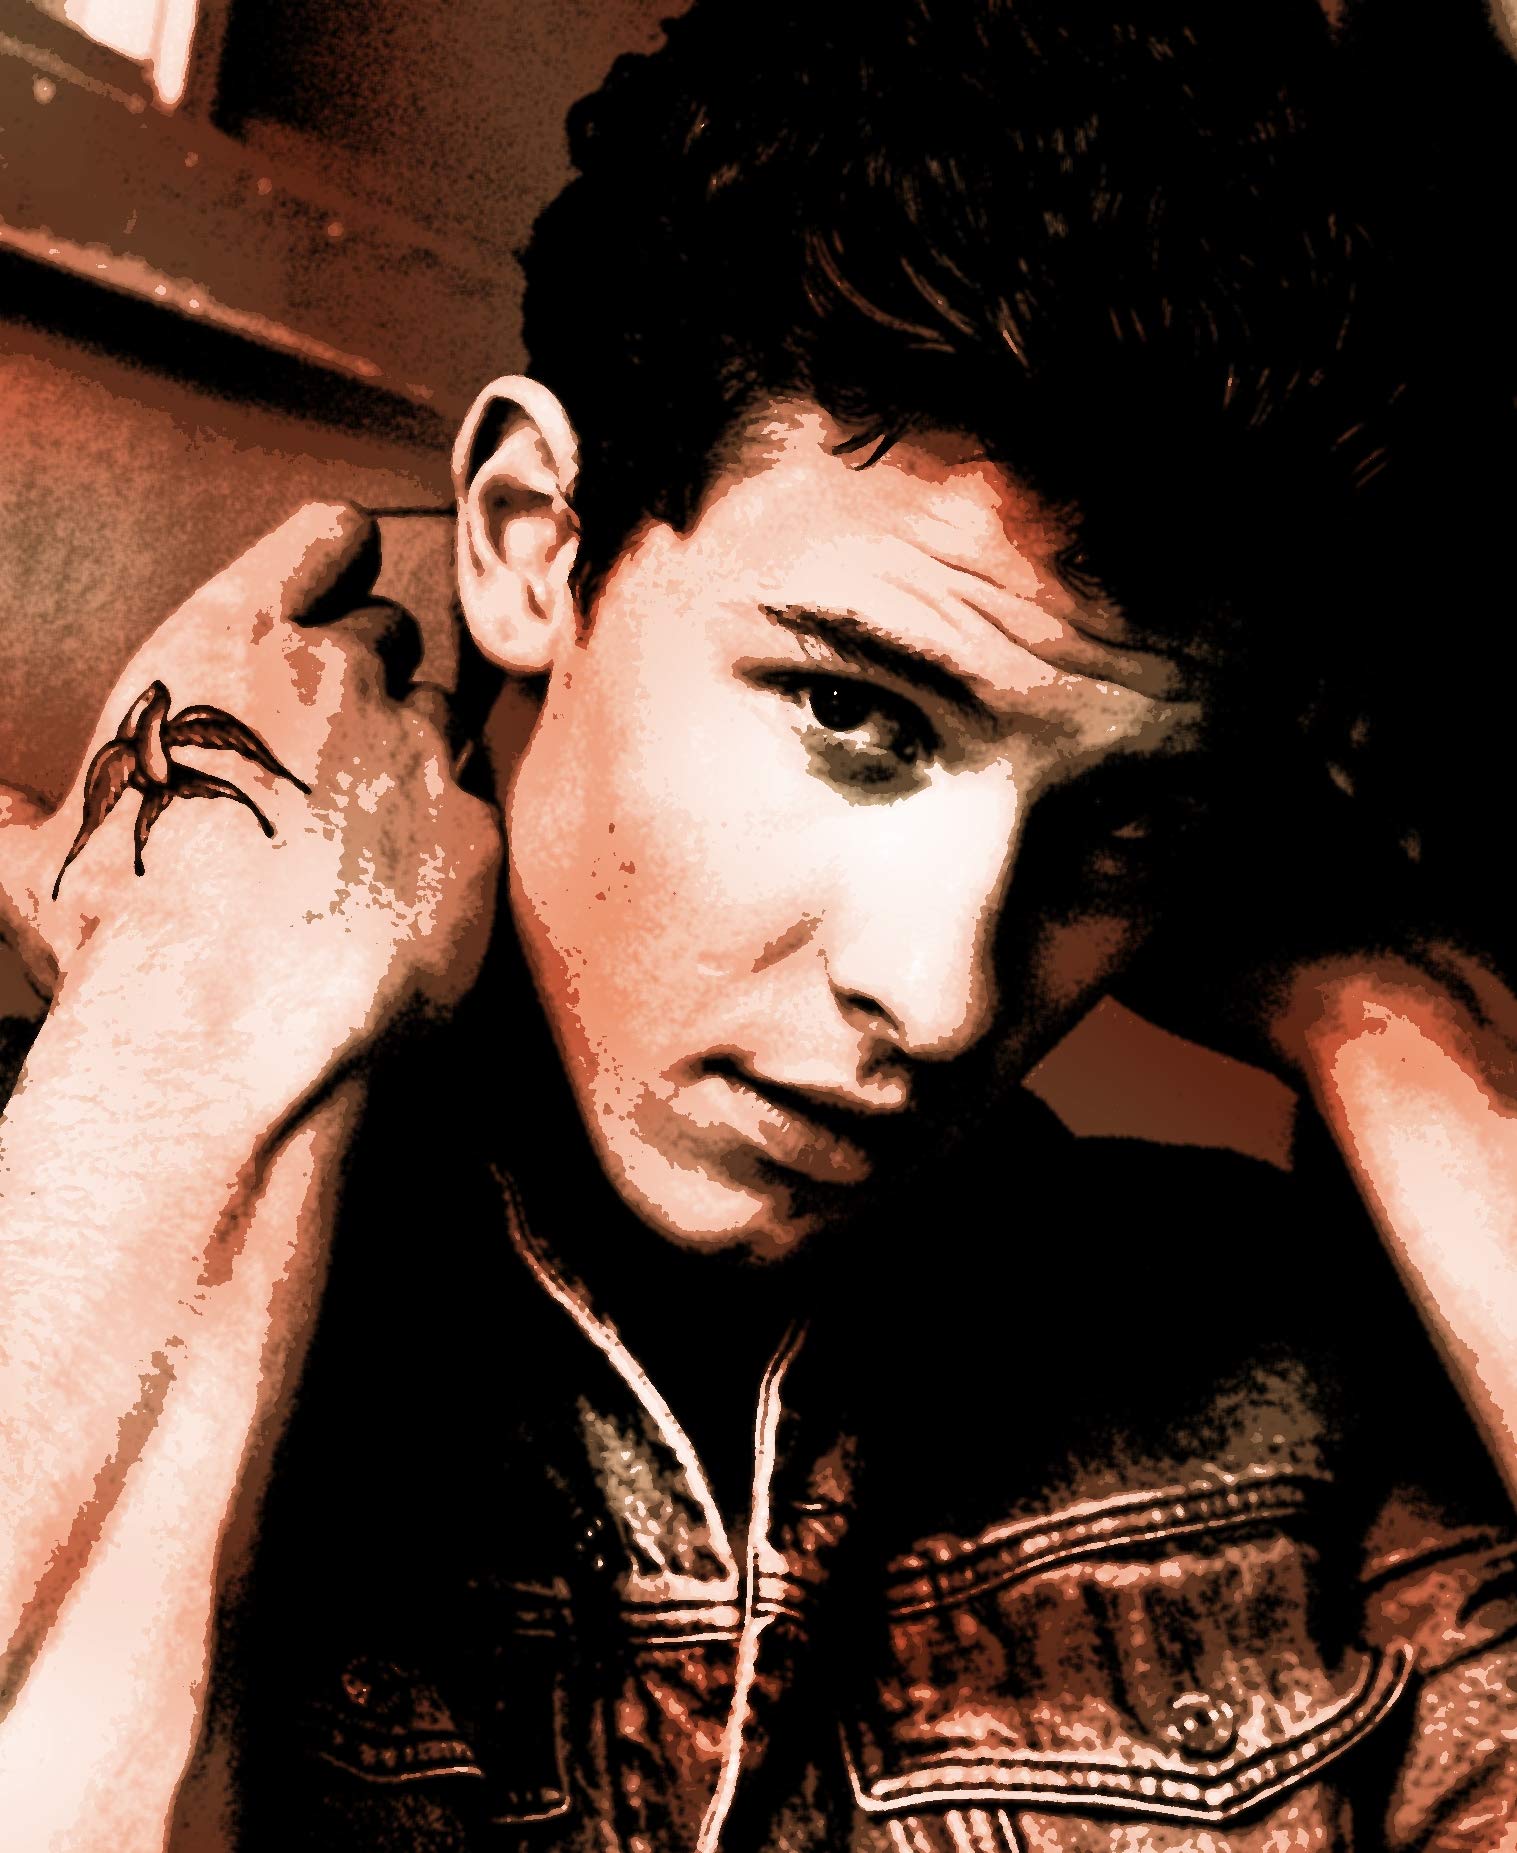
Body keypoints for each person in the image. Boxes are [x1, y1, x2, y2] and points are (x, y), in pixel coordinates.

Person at [1, 3, 1515, 1848]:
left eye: (1117, 829)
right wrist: (217, 1010)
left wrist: (1390, 1029)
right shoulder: (58, 1207)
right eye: (855, 716)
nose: (940, 994)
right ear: (532, 537)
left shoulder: (1282, 1387)